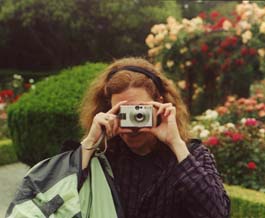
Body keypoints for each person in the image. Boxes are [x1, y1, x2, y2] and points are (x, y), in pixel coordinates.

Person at [76, 57, 231, 218]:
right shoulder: (104, 154)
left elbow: (218, 213)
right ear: (109, 111)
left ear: (160, 104)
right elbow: (61, 199)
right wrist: (90, 142)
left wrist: (176, 144)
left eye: (140, 112)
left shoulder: (192, 155)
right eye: (123, 113)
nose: (132, 126)